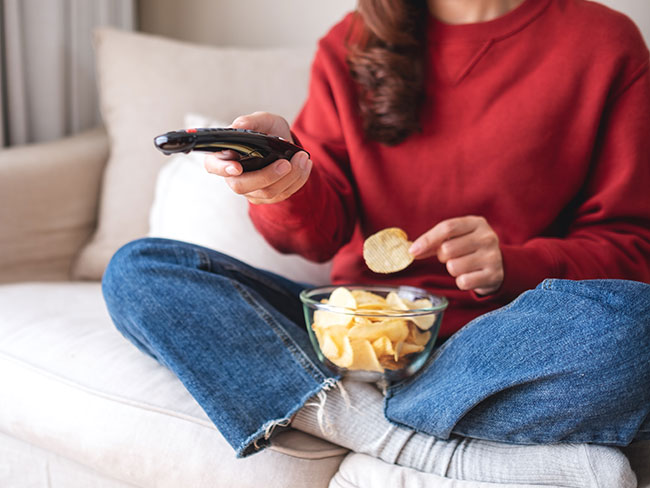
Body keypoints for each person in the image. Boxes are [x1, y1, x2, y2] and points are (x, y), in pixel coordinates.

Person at [102, 0, 650, 485]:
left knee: (638, 328)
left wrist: (516, 263)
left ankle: (331, 406)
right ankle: (401, 438)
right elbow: (318, 235)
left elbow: (634, 245)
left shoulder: (603, 42)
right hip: (348, 340)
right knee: (139, 271)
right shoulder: (353, 42)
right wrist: (285, 181)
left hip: (502, 346)